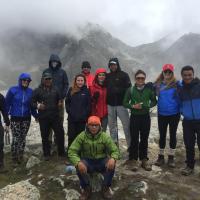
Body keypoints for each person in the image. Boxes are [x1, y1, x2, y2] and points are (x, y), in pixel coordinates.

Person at [68, 116, 120, 200]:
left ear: (100, 126)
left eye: (96, 125)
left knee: (112, 164)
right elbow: (71, 151)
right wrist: (78, 162)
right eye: (91, 125)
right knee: (78, 166)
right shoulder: (81, 136)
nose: (94, 127)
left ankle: (105, 187)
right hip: (87, 161)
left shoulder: (105, 136)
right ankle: (86, 188)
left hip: (101, 161)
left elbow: (115, 150)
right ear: (87, 125)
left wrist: (113, 158)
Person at [123, 70, 157, 171]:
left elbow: (154, 101)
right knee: (134, 138)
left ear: (145, 79)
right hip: (134, 117)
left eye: (142, 78)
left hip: (146, 117)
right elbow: (124, 103)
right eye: (138, 78)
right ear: (135, 79)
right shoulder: (130, 90)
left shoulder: (149, 90)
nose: (140, 80)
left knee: (144, 138)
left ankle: (144, 159)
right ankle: (133, 159)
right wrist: (133, 106)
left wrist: (148, 106)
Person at [31, 72, 65, 160]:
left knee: (60, 134)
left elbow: (60, 99)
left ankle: (61, 153)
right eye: (46, 79)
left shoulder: (56, 89)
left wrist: (60, 102)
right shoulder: (37, 90)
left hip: (55, 116)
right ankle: (46, 154)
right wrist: (38, 106)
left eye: (49, 79)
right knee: (45, 136)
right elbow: (31, 103)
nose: (48, 80)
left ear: (52, 80)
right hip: (43, 117)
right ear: (42, 80)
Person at [6, 73, 37, 165]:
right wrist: (6, 119)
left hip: (26, 118)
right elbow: (7, 105)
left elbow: (32, 106)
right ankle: (14, 157)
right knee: (16, 138)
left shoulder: (31, 92)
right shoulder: (12, 90)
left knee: (23, 138)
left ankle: (21, 155)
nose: (26, 82)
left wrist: (36, 116)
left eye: (28, 81)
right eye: (24, 80)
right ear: (20, 80)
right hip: (15, 118)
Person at [154, 64, 180, 168]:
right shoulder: (158, 85)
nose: (167, 74)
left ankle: (171, 157)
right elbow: (149, 90)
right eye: (166, 72)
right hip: (162, 114)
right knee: (162, 135)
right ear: (163, 73)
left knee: (173, 135)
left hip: (174, 114)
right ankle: (160, 157)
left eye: (170, 72)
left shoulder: (177, 84)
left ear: (172, 73)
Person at [178, 66, 200, 175]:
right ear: (182, 76)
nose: (187, 77)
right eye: (185, 75)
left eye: (189, 75)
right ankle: (190, 166)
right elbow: (179, 103)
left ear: (193, 74)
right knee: (189, 144)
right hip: (187, 121)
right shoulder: (181, 89)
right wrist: (183, 112)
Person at [43, 54, 69, 145]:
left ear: (58, 62)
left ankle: (57, 141)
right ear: (50, 62)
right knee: (48, 120)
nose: (54, 63)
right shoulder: (46, 71)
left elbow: (66, 85)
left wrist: (62, 96)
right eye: (53, 61)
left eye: (56, 61)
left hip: (60, 101)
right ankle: (48, 141)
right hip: (48, 100)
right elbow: (42, 84)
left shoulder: (62, 72)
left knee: (59, 120)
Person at [105, 57, 131, 147]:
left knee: (126, 126)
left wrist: (119, 90)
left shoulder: (124, 75)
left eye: (114, 64)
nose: (113, 66)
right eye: (111, 65)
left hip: (122, 105)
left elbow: (129, 89)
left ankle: (130, 147)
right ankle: (114, 147)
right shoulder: (107, 76)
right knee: (112, 127)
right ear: (109, 65)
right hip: (110, 105)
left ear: (117, 65)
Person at [65, 74, 91, 148]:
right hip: (72, 118)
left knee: (80, 137)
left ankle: (79, 153)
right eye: (78, 80)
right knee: (71, 136)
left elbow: (88, 104)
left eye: (81, 80)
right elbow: (67, 102)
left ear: (84, 81)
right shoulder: (71, 89)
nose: (80, 82)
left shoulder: (86, 91)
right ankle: (70, 153)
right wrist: (69, 111)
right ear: (75, 81)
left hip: (82, 119)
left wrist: (85, 114)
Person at [0, 93, 10, 171]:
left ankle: (1, 166)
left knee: (0, 145)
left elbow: (4, 110)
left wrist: (7, 123)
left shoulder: (0, 97)